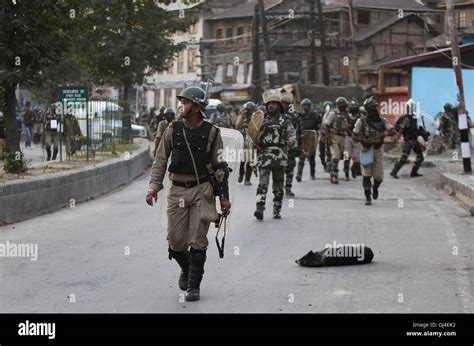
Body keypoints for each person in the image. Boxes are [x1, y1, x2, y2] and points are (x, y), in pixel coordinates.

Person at [146, 86, 231, 302]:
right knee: (175, 241)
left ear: (196, 107)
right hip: (177, 191)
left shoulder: (212, 133)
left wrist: (224, 197)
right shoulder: (172, 129)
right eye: (181, 102)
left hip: (202, 190)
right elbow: (161, 160)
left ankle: (194, 286)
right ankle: (185, 268)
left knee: (198, 239)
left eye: (185, 102)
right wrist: (153, 187)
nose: (181, 106)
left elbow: (220, 166)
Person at [254, 91, 296, 220]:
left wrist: (291, 141)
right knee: (263, 184)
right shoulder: (260, 119)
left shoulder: (286, 120)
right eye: (269, 103)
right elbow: (250, 134)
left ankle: (277, 209)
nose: (271, 106)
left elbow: (292, 135)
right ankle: (259, 207)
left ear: (278, 105)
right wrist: (253, 144)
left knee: (278, 186)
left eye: (273, 103)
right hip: (264, 155)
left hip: (280, 156)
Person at [352, 97, 397, 205]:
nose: (374, 110)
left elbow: (393, 131)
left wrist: (383, 134)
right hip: (366, 150)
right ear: (367, 109)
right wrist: (364, 140)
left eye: (375, 107)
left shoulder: (382, 121)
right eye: (371, 108)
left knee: (379, 177)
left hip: (378, 150)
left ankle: (375, 187)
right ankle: (368, 197)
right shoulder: (361, 121)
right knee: (366, 175)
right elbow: (354, 136)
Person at [390, 99, 430, 179]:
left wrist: (423, 133)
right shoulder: (407, 118)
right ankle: (394, 172)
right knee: (404, 157)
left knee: (420, 156)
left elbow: (414, 130)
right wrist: (397, 137)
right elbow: (402, 128)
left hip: (414, 140)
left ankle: (414, 172)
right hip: (408, 140)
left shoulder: (413, 118)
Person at [322, 97, 349, 184]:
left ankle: (335, 171)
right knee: (335, 156)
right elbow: (326, 125)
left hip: (342, 137)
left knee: (341, 155)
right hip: (334, 136)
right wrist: (328, 137)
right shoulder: (333, 113)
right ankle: (334, 175)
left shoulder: (344, 114)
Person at [281, 93, 303, 196]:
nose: (283, 105)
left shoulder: (295, 116)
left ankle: (288, 188)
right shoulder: (276, 115)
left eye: (285, 103)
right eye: (282, 103)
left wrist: (300, 145)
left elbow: (300, 132)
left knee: (290, 168)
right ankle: (279, 188)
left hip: (291, 146)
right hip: (279, 146)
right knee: (279, 168)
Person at [296, 98, 321, 182]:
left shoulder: (315, 115)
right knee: (302, 156)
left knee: (312, 156)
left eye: (307, 105)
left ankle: (312, 174)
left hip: (312, 136)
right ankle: (299, 174)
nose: (306, 107)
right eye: (304, 105)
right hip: (303, 136)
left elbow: (318, 125)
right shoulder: (299, 115)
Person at [235, 101, 256, 185]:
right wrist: (242, 116)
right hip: (242, 143)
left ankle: (247, 180)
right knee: (241, 162)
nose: (249, 112)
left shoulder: (254, 118)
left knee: (250, 162)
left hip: (251, 143)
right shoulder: (242, 117)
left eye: (251, 110)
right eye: (248, 110)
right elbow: (237, 126)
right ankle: (241, 174)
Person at [344, 99, 362, 179]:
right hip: (348, 137)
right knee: (346, 155)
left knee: (356, 158)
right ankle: (346, 172)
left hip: (357, 139)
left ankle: (353, 169)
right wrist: (351, 133)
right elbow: (345, 127)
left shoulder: (360, 117)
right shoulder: (346, 116)